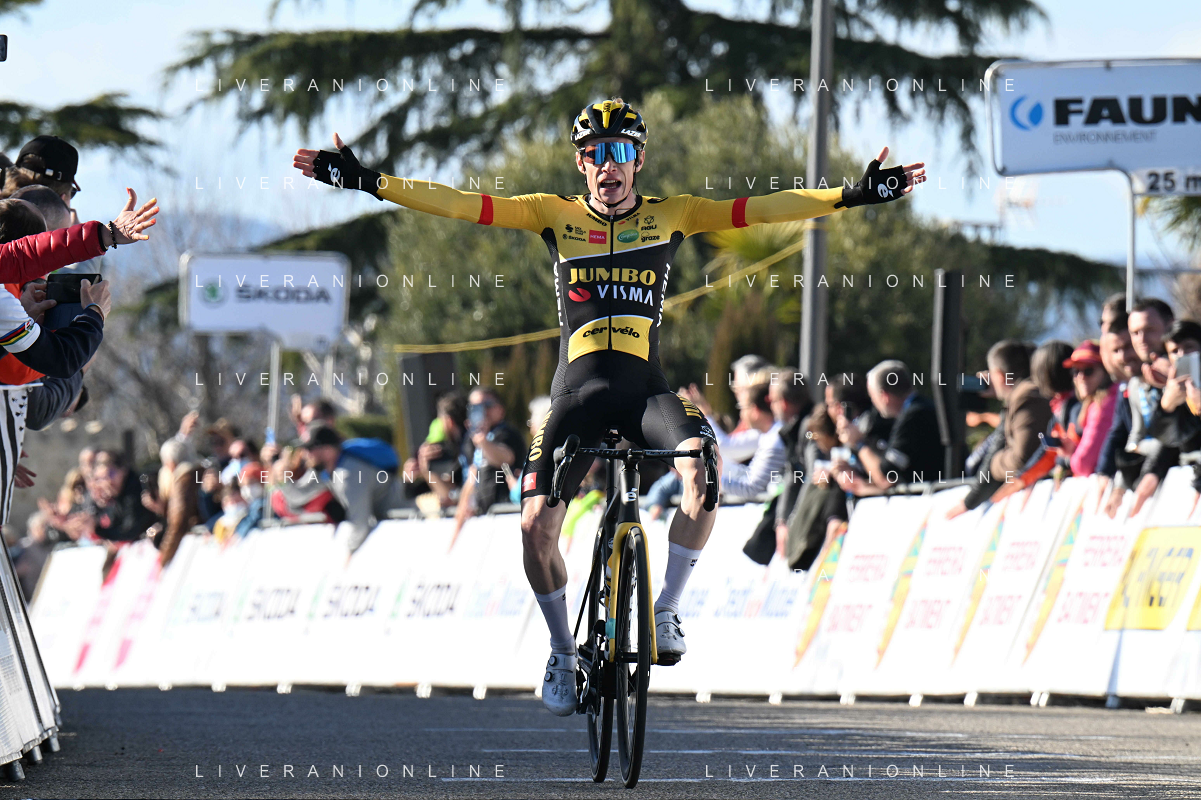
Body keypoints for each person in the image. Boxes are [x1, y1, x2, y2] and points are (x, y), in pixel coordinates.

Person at [293, 97, 925, 716]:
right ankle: (562, 652)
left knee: (704, 472)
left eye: (619, 151)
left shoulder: (675, 214)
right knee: (534, 528)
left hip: (645, 390)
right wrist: (368, 180)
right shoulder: (552, 214)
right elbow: (459, 203)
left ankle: (665, 609)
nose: (607, 163)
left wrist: (852, 194)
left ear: (638, 160)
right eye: (595, 153)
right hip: (577, 393)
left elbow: (762, 207)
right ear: (581, 163)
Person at [947, 340, 1053, 518]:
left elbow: (1022, 459)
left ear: (998, 375)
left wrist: (995, 463)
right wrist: (1003, 391)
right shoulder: (1023, 395)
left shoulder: (1027, 397)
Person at [833, 360, 944, 496]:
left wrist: (859, 443)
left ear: (884, 396)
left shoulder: (914, 416)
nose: (873, 403)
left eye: (873, 396)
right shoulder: (921, 407)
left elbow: (887, 478)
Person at [299, 423, 408, 556]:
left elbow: (360, 524)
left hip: (404, 527)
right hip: (394, 526)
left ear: (327, 450)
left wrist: (347, 556)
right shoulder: (332, 471)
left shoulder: (347, 475)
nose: (304, 454)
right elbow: (298, 496)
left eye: (309, 449)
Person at [451, 388, 525, 537]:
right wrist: (466, 503)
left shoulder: (507, 433)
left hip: (508, 515)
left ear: (501, 409)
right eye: (475, 407)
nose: (483, 411)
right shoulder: (470, 440)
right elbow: (472, 475)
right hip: (484, 517)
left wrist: (483, 443)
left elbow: (505, 458)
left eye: (488, 405)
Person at [1061, 341, 1116, 477]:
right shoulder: (1092, 403)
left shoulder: (1104, 403)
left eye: (1088, 371)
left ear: (1105, 372)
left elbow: (1084, 464)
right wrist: (1072, 449)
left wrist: (1068, 461)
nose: (1081, 377)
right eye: (1075, 371)